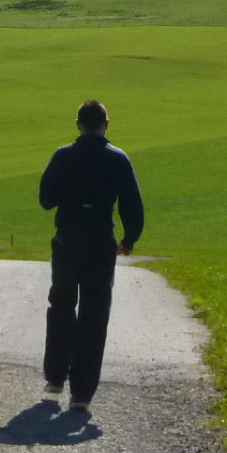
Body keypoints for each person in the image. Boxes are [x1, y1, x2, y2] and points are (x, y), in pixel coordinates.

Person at [37, 99, 144, 412]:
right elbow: (133, 207)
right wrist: (129, 239)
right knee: (94, 315)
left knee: (61, 305)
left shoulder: (63, 156)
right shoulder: (118, 159)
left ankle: (56, 375)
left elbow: (45, 199)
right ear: (106, 125)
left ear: (78, 125)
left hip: (67, 240)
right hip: (100, 242)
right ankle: (82, 392)